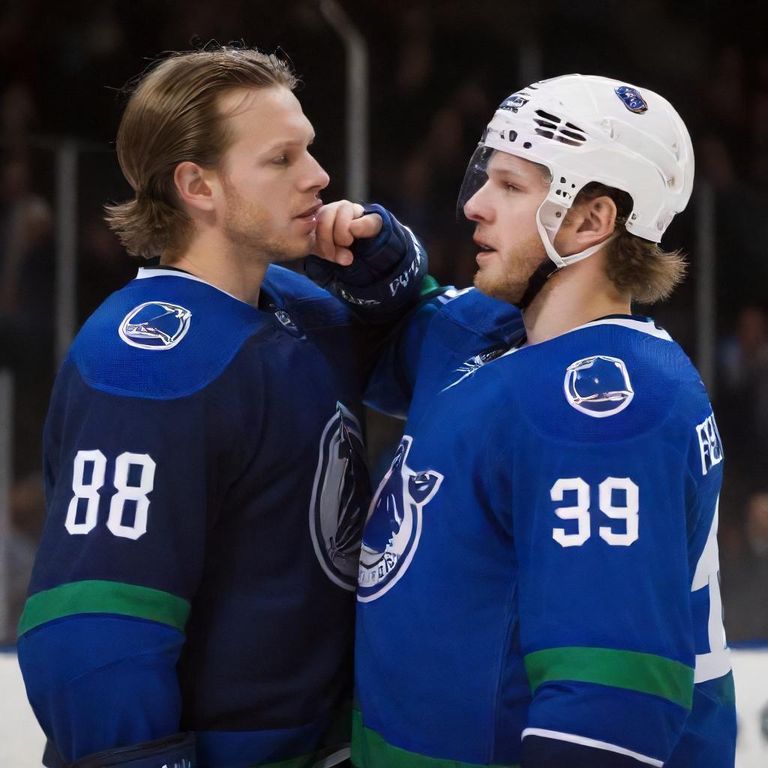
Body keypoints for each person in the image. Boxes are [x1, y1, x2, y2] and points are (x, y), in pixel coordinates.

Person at [16, 46, 431, 768]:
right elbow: (94, 627)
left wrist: (388, 280)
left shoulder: (297, 304)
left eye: (309, 148)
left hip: (323, 738)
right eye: (281, 159)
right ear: (197, 185)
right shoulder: (147, 364)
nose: (319, 175)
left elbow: (436, 382)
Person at [352, 75, 736, 767]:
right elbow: (396, 358)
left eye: (510, 186)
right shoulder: (498, 330)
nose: (475, 205)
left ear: (589, 221)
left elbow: (609, 707)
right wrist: (382, 277)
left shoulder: (607, 409)